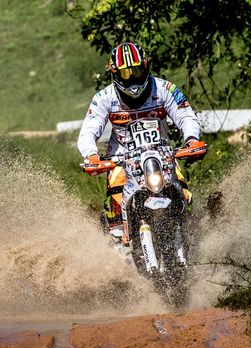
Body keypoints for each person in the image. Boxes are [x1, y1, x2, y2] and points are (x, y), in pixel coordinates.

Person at [77, 41, 204, 244]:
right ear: (115, 73)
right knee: (114, 203)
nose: (132, 78)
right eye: (126, 74)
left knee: (184, 192)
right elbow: (88, 132)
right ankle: (117, 246)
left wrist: (191, 140)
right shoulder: (103, 98)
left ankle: (191, 235)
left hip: (162, 154)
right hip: (121, 158)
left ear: (145, 66)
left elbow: (186, 116)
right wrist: (91, 155)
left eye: (136, 71)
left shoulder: (165, 89)